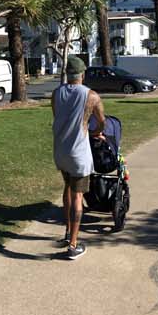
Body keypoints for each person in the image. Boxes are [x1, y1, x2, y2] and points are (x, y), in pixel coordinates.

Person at [49, 63, 106, 259]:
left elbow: (59, 117)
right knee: (77, 197)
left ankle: (68, 232)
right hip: (78, 154)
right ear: (82, 74)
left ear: (67, 74)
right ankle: (73, 246)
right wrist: (96, 133)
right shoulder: (91, 96)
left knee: (67, 188)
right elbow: (102, 122)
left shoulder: (56, 93)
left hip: (60, 151)